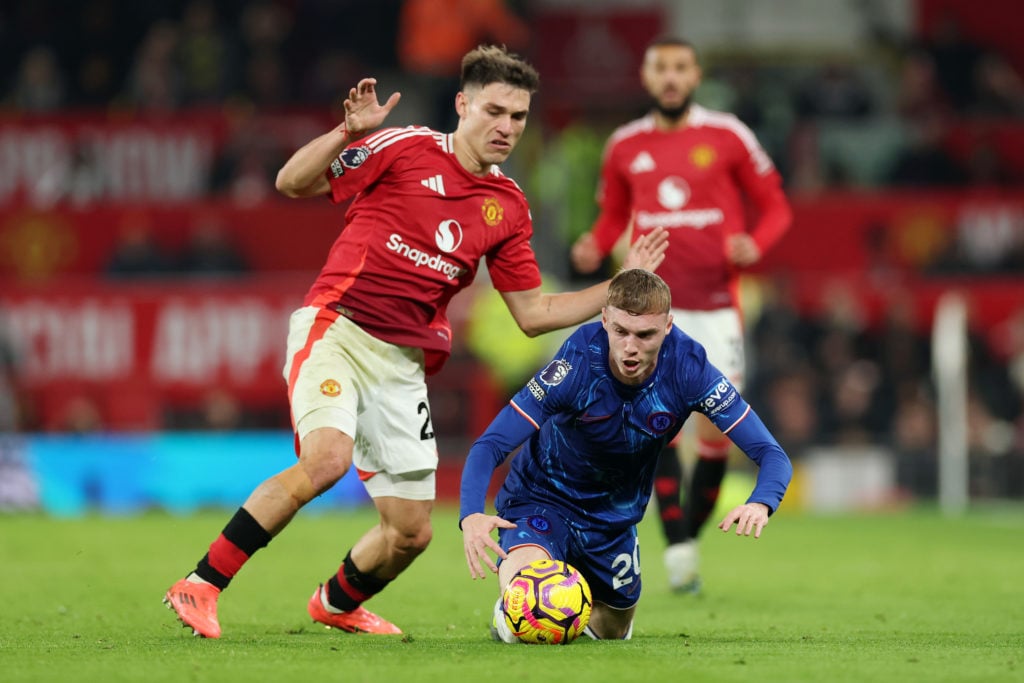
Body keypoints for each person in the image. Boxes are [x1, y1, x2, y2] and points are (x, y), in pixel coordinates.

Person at [162, 45, 668, 639]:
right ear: (462, 104)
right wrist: (343, 132)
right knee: (326, 461)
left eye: (519, 117)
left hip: (402, 364)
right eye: (495, 111)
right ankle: (200, 582)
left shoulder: (506, 205)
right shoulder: (402, 147)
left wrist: (618, 288)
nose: (507, 127)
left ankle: (335, 602)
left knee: (411, 533)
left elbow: (532, 313)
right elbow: (291, 182)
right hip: (339, 328)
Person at [460, 269, 792, 641]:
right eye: (620, 331)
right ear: (604, 319)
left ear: (668, 326)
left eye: (645, 334)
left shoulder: (689, 369)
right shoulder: (576, 364)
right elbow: (490, 444)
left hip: (612, 520)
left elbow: (770, 452)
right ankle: (511, 615)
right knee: (534, 595)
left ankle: (585, 602)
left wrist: (761, 503)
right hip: (542, 501)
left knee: (612, 631)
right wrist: (471, 513)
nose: (630, 347)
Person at [570, 37, 792, 593]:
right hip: (651, 308)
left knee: (716, 435)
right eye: (660, 68)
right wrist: (593, 245)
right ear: (647, 78)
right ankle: (677, 548)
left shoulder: (728, 134)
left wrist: (755, 244)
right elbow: (612, 216)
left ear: (695, 75)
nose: (670, 78)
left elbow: (776, 207)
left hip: (717, 308)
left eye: (680, 68)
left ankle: (686, 535)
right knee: (659, 429)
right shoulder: (624, 145)